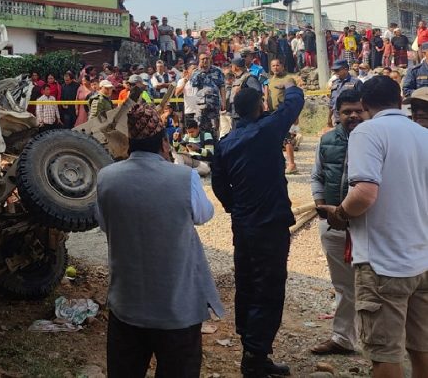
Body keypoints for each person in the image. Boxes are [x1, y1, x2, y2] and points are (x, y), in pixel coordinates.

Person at [95, 103, 223, 378]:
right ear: (164, 142)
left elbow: (106, 225)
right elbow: (204, 215)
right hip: (177, 309)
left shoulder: (107, 178)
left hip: (127, 306)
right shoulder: (184, 176)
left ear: (130, 142)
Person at [319, 76, 428, 378]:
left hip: (384, 264)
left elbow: (365, 193)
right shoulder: (422, 134)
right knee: (422, 348)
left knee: (385, 355)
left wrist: (340, 213)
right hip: (421, 259)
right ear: (400, 101)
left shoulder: (367, 132)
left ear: (365, 105)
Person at [212, 82, 305, 378]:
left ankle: (253, 349)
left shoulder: (224, 143)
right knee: (269, 286)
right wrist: (291, 85)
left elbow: (218, 185)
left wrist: (234, 207)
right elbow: (294, 103)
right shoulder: (268, 129)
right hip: (270, 224)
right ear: (259, 107)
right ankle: (254, 356)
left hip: (243, 224)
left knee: (248, 281)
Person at [308, 88, 366, 356]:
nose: (353, 115)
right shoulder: (327, 140)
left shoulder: (376, 141)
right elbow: (317, 176)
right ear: (337, 114)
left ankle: (379, 340)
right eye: (347, 112)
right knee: (343, 284)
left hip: (369, 225)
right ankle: (343, 339)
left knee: (374, 283)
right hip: (332, 225)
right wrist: (321, 206)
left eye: (358, 110)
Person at [265, 59, 303, 174]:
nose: (275, 67)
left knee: (287, 139)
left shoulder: (288, 79)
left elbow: (293, 98)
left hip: (285, 113)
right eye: (273, 66)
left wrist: (295, 115)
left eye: (277, 65)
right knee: (275, 140)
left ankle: (292, 164)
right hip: (272, 113)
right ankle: (279, 163)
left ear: (282, 66)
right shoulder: (270, 80)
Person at [190, 53, 227, 136]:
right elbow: (193, 83)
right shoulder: (196, 72)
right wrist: (200, 70)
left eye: (207, 58)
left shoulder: (217, 71)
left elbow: (222, 86)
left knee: (214, 128)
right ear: (199, 61)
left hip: (214, 105)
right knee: (200, 127)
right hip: (201, 105)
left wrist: (223, 102)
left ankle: (215, 146)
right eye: (202, 59)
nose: (205, 61)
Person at [228, 58, 263, 130]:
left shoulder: (249, 78)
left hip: (244, 115)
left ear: (235, 67)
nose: (231, 68)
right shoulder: (238, 78)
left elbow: (257, 93)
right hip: (235, 113)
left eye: (232, 66)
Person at [329, 59, 363, 126]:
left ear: (346, 69)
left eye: (337, 70)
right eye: (334, 71)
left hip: (351, 119)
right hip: (337, 119)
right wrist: (329, 118)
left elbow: (362, 101)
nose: (335, 73)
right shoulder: (335, 83)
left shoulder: (356, 82)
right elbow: (332, 102)